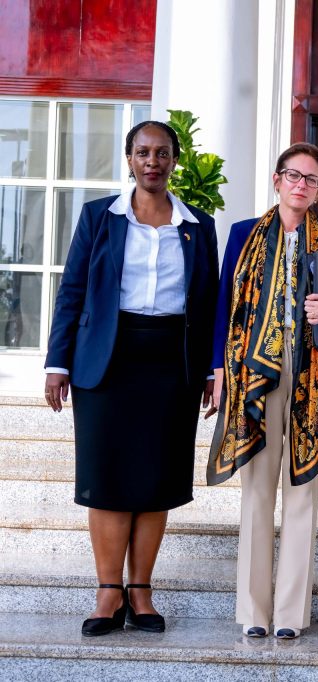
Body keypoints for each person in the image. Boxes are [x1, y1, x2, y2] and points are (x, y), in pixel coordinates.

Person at [44, 120, 219, 636]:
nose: (152, 161)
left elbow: (207, 303)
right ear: (129, 158)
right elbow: (72, 290)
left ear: (174, 160)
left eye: (162, 153)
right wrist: (58, 363)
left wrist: (212, 369)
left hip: (171, 364)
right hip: (106, 361)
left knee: (156, 479)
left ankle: (140, 592)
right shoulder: (100, 218)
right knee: (106, 479)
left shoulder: (198, 225)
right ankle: (107, 593)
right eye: (143, 152)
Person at [207, 142, 318, 640]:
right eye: (293, 175)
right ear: (277, 180)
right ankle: (254, 612)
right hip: (255, 372)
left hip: (314, 374)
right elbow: (222, 304)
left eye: (311, 179)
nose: (301, 184)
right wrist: (216, 369)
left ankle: (291, 615)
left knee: (303, 491)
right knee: (256, 491)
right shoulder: (243, 234)